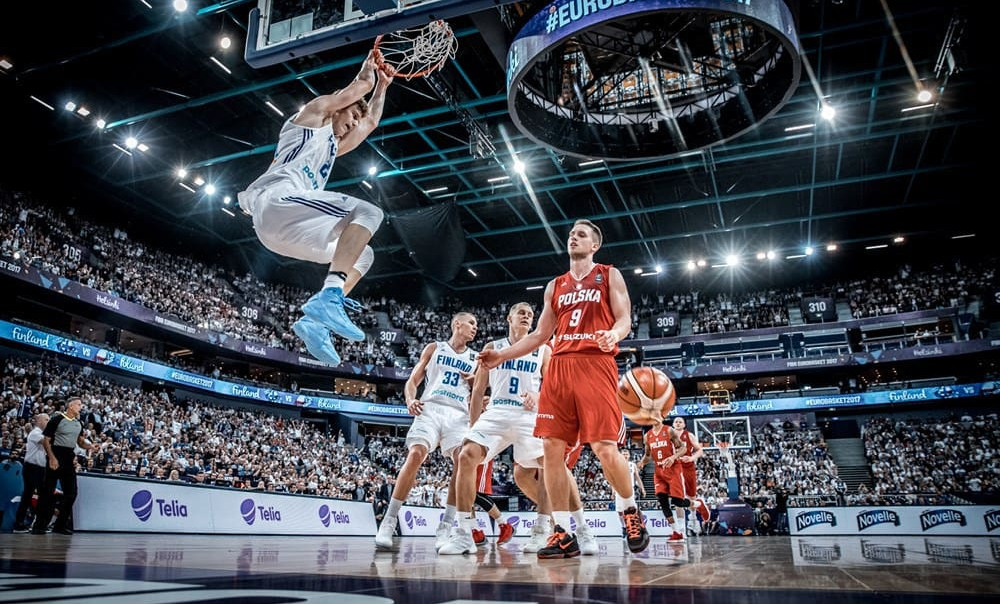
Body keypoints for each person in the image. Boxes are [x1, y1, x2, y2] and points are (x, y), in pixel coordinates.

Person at [479, 219, 650, 557]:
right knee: (551, 453)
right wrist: (501, 355)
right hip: (559, 368)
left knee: (604, 448)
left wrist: (613, 334)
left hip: (595, 363)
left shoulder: (608, 275)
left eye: (581, 234)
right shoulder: (554, 285)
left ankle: (630, 510)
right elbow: (540, 335)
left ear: (594, 245)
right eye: (571, 234)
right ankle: (562, 531)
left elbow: (625, 319)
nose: (573, 237)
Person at [237, 48, 393, 366]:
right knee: (369, 212)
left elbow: (371, 122)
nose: (354, 124)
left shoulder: (333, 147)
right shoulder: (313, 115)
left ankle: (316, 322)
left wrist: (383, 87)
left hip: (285, 232)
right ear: (339, 105)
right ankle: (329, 296)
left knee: (364, 255)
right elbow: (359, 87)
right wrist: (369, 67)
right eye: (352, 116)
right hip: (277, 202)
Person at [439, 302, 550, 555]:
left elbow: (553, 388)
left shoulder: (543, 349)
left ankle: (542, 529)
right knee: (466, 455)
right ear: (509, 318)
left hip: (528, 415)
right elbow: (478, 391)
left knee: (547, 463)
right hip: (497, 412)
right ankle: (464, 534)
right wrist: (473, 427)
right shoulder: (492, 347)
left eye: (530, 314)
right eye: (521, 313)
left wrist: (538, 396)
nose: (526, 316)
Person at [374, 312, 479, 551]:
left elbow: (482, 393)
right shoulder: (435, 348)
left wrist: (475, 382)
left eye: (477, 325)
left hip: (458, 414)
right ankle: (389, 521)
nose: (475, 328)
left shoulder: (476, 357)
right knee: (416, 454)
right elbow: (412, 381)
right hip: (430, 407)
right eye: (471, 323)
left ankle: (446, 527)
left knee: (462, 462)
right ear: (457, 323)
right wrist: (410, 400)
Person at [31, 397, 100, 535]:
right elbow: (46, 440)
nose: (81, 407)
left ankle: (59, 525)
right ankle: (39, 526)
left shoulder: (79, 423)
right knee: (47, 492)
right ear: (71, 406)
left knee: (71, 493)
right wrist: (52, 458)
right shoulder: (57, 419)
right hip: (55, 453)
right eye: (79, 404)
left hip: (68, 456)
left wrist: (91, 446)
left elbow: (80, 442)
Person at [640, 420, 703, 541]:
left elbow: (683, 448)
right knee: (662, 501)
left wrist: (673, 457)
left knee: (677, 501)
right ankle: (676, 532)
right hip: (659, 470)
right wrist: (642, 462)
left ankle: (696, 504)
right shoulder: (647, 436)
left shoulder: (669, 430)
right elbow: (648, 456)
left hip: (673, 468)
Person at [672, 416, 709, 534]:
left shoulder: (689, 435)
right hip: (675, 467)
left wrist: (692, 458)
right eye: (676, 422)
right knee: (678, 496)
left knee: (691, 495)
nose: (678, 423)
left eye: (680, 422)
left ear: (684, 425)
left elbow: (700, 450)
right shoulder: (668, 436)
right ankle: (681, 528)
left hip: (688, 466)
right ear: (673, 424)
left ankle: (693, 517)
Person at [12, 413, 49, 533]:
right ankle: (19, 524)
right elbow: (46, 442)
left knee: (40, 496)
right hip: (32, 467)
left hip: (40, 468)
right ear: (39, 421)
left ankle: (38, 524)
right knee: (28, 495)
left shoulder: (41, 433)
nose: (48, 422)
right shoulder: (35, 433)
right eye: (46, 419)